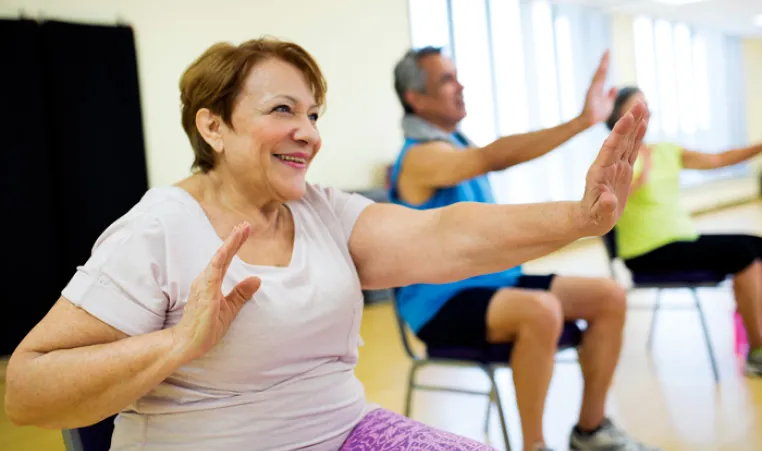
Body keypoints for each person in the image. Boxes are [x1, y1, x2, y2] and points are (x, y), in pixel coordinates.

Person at [4, 37, 648, 451]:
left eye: (314, 115)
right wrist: (175, 344)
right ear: (213, 125)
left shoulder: (321, 209)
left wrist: (578, 218)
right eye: (284, 110)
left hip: (345, 432)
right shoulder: (158, 228)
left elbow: (443, 234)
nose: (307, 132)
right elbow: (26, 390)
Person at [390, 47, 658, 451]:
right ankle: (534, 445)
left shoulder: (454, 143)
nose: (460, 85)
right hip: (441, 303)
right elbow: (493, 157)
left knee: (609, 297)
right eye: (446, 79)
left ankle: (590, 430)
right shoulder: (420, 158)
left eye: (457, 75)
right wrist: (583, 121)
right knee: (541, 309)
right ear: (416, 98)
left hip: (497, 285)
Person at [606, 86, 762, 377]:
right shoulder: (613, 158)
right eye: (635, 106)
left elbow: (717, 160)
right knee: (741, 253)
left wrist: (759, 147)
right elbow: (609, 203)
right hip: (647, 252)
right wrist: (641, 173)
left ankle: (754, 328)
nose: (644, 112)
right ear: (617, 116)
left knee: (755, 245)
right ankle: (757, 352)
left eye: (646, 105)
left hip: (682, 239)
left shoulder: (665, 150)